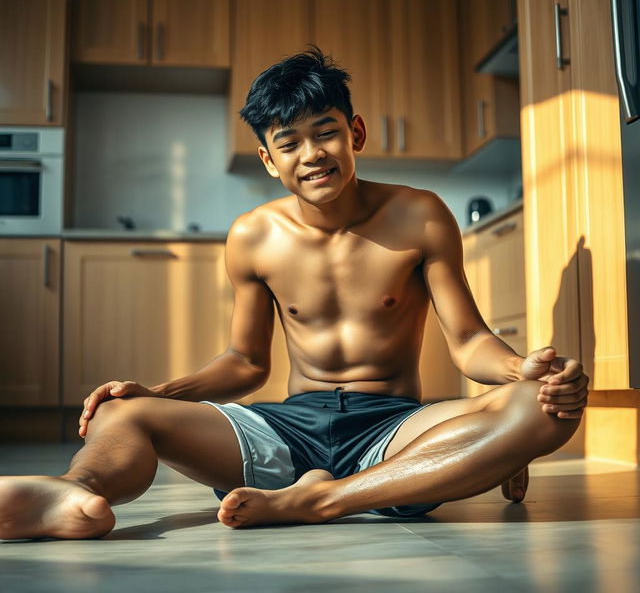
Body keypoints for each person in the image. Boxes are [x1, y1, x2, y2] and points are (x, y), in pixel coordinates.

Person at [0, 48, 588, 539]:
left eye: (326, 132)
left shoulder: (420, 216)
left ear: (354, 132)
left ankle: (323, 501)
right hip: (284, 429)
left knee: (547, 408)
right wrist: (158, 390)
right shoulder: (254, 236)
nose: (312, 155)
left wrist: (518, 369)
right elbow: (246, 363)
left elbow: (467, 342)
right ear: (268, 158)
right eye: (290, 143)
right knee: (123, 411)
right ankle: (75, 494)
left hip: (395, 431)